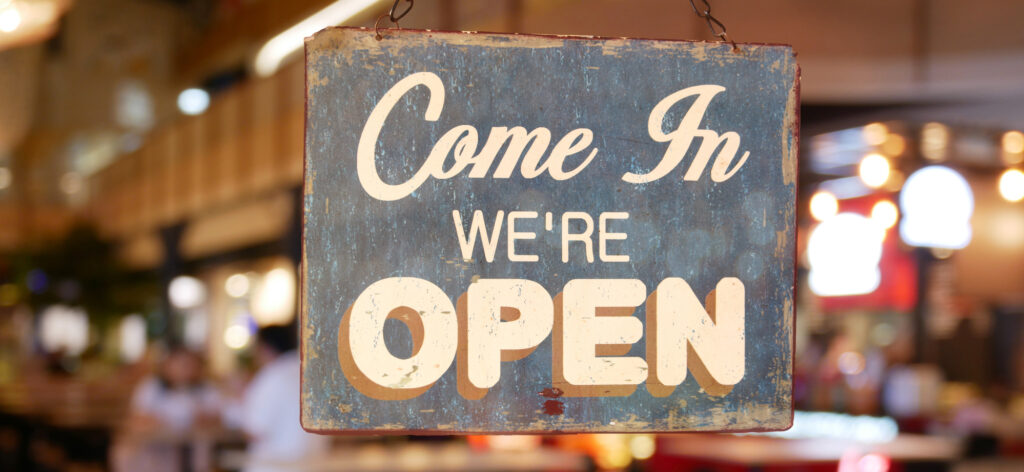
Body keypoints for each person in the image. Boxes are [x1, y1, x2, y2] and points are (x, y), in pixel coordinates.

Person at [232, 325, 329, 472]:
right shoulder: (315, 374)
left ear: (264, 348)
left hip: (274, 466)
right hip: (314, 464)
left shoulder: (270, 377)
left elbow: (254, 431)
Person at [113, 345, 222, 472]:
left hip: (195, 447)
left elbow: (217, 417)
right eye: (178, 364)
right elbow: (137, 416)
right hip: (158, 447)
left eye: (188, 364)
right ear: (167, 365)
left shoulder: (205, 389)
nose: (183, 369)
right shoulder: (152, 386)